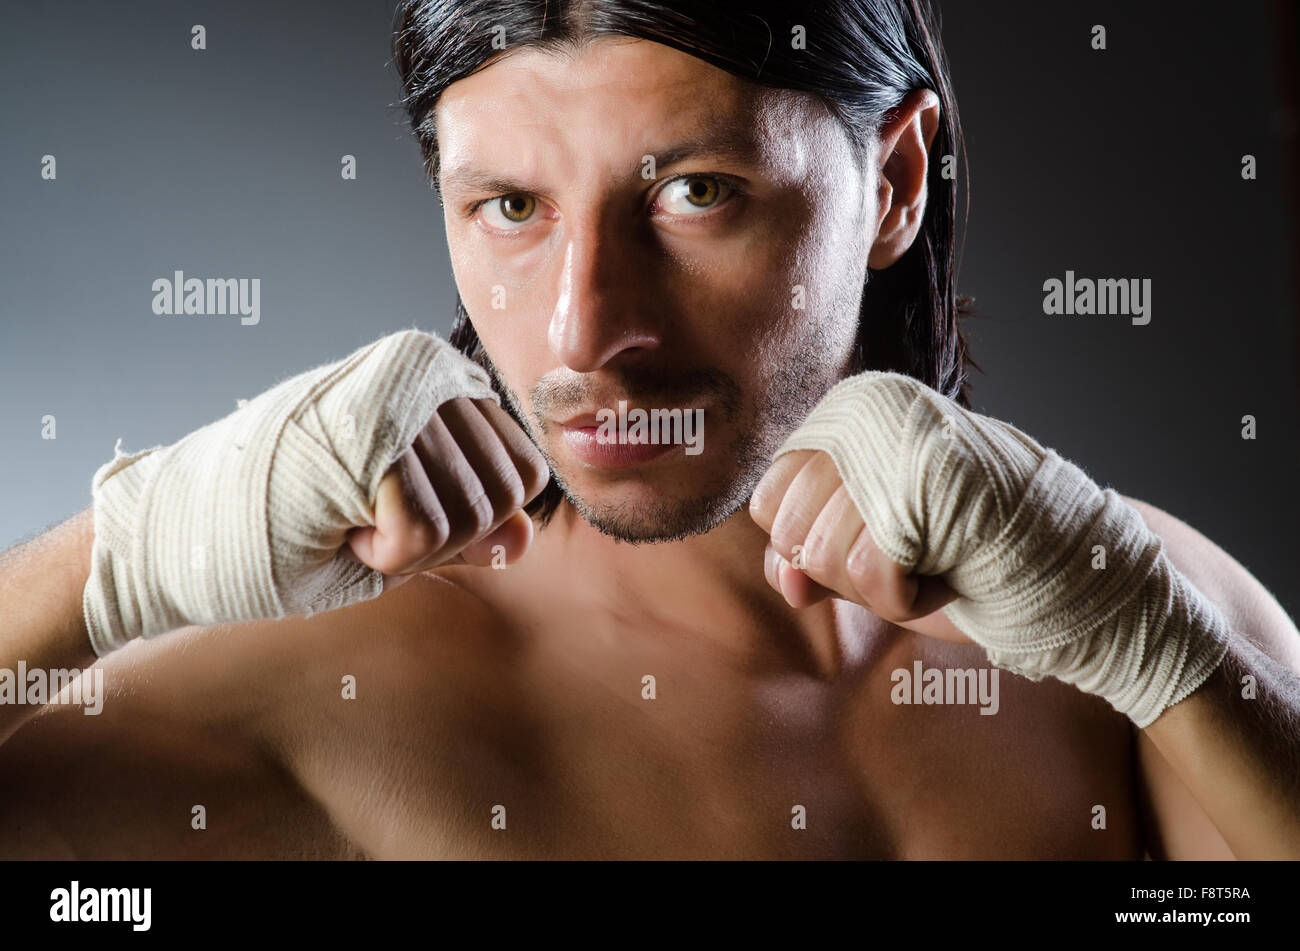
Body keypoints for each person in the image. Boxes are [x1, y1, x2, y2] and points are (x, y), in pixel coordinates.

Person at [1, 0, 1297, 860]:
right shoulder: (332, 700)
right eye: (509, 206)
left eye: (694, 192)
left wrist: (1164, 647)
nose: (582, 332)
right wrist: (120, 557)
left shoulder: (1137, 625)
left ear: (894, 182)